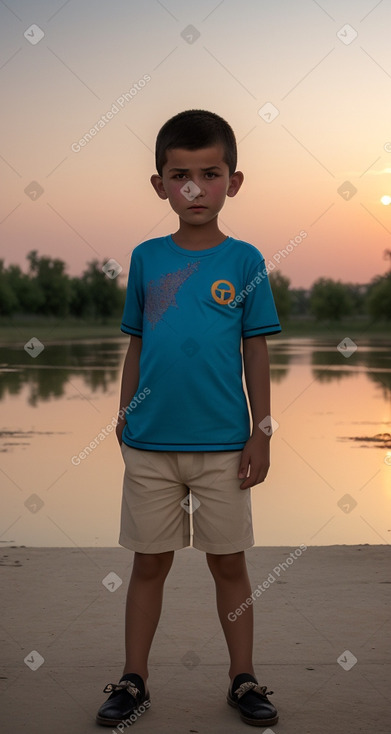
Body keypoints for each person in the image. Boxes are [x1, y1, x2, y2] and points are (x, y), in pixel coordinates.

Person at [96, 109, 281, 728]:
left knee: (229, 562)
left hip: (226, 445)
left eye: (210, 173)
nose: (195, 188)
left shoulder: (245, 259)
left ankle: (245, 679)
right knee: (149, 563)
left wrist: (262, 431)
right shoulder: (146, 258)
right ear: (160, 185)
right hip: (151, 444)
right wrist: (123, 412)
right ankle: (132, 680)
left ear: (234, 180)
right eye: (180, 176)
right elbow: (137, 342)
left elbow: (255, 348)